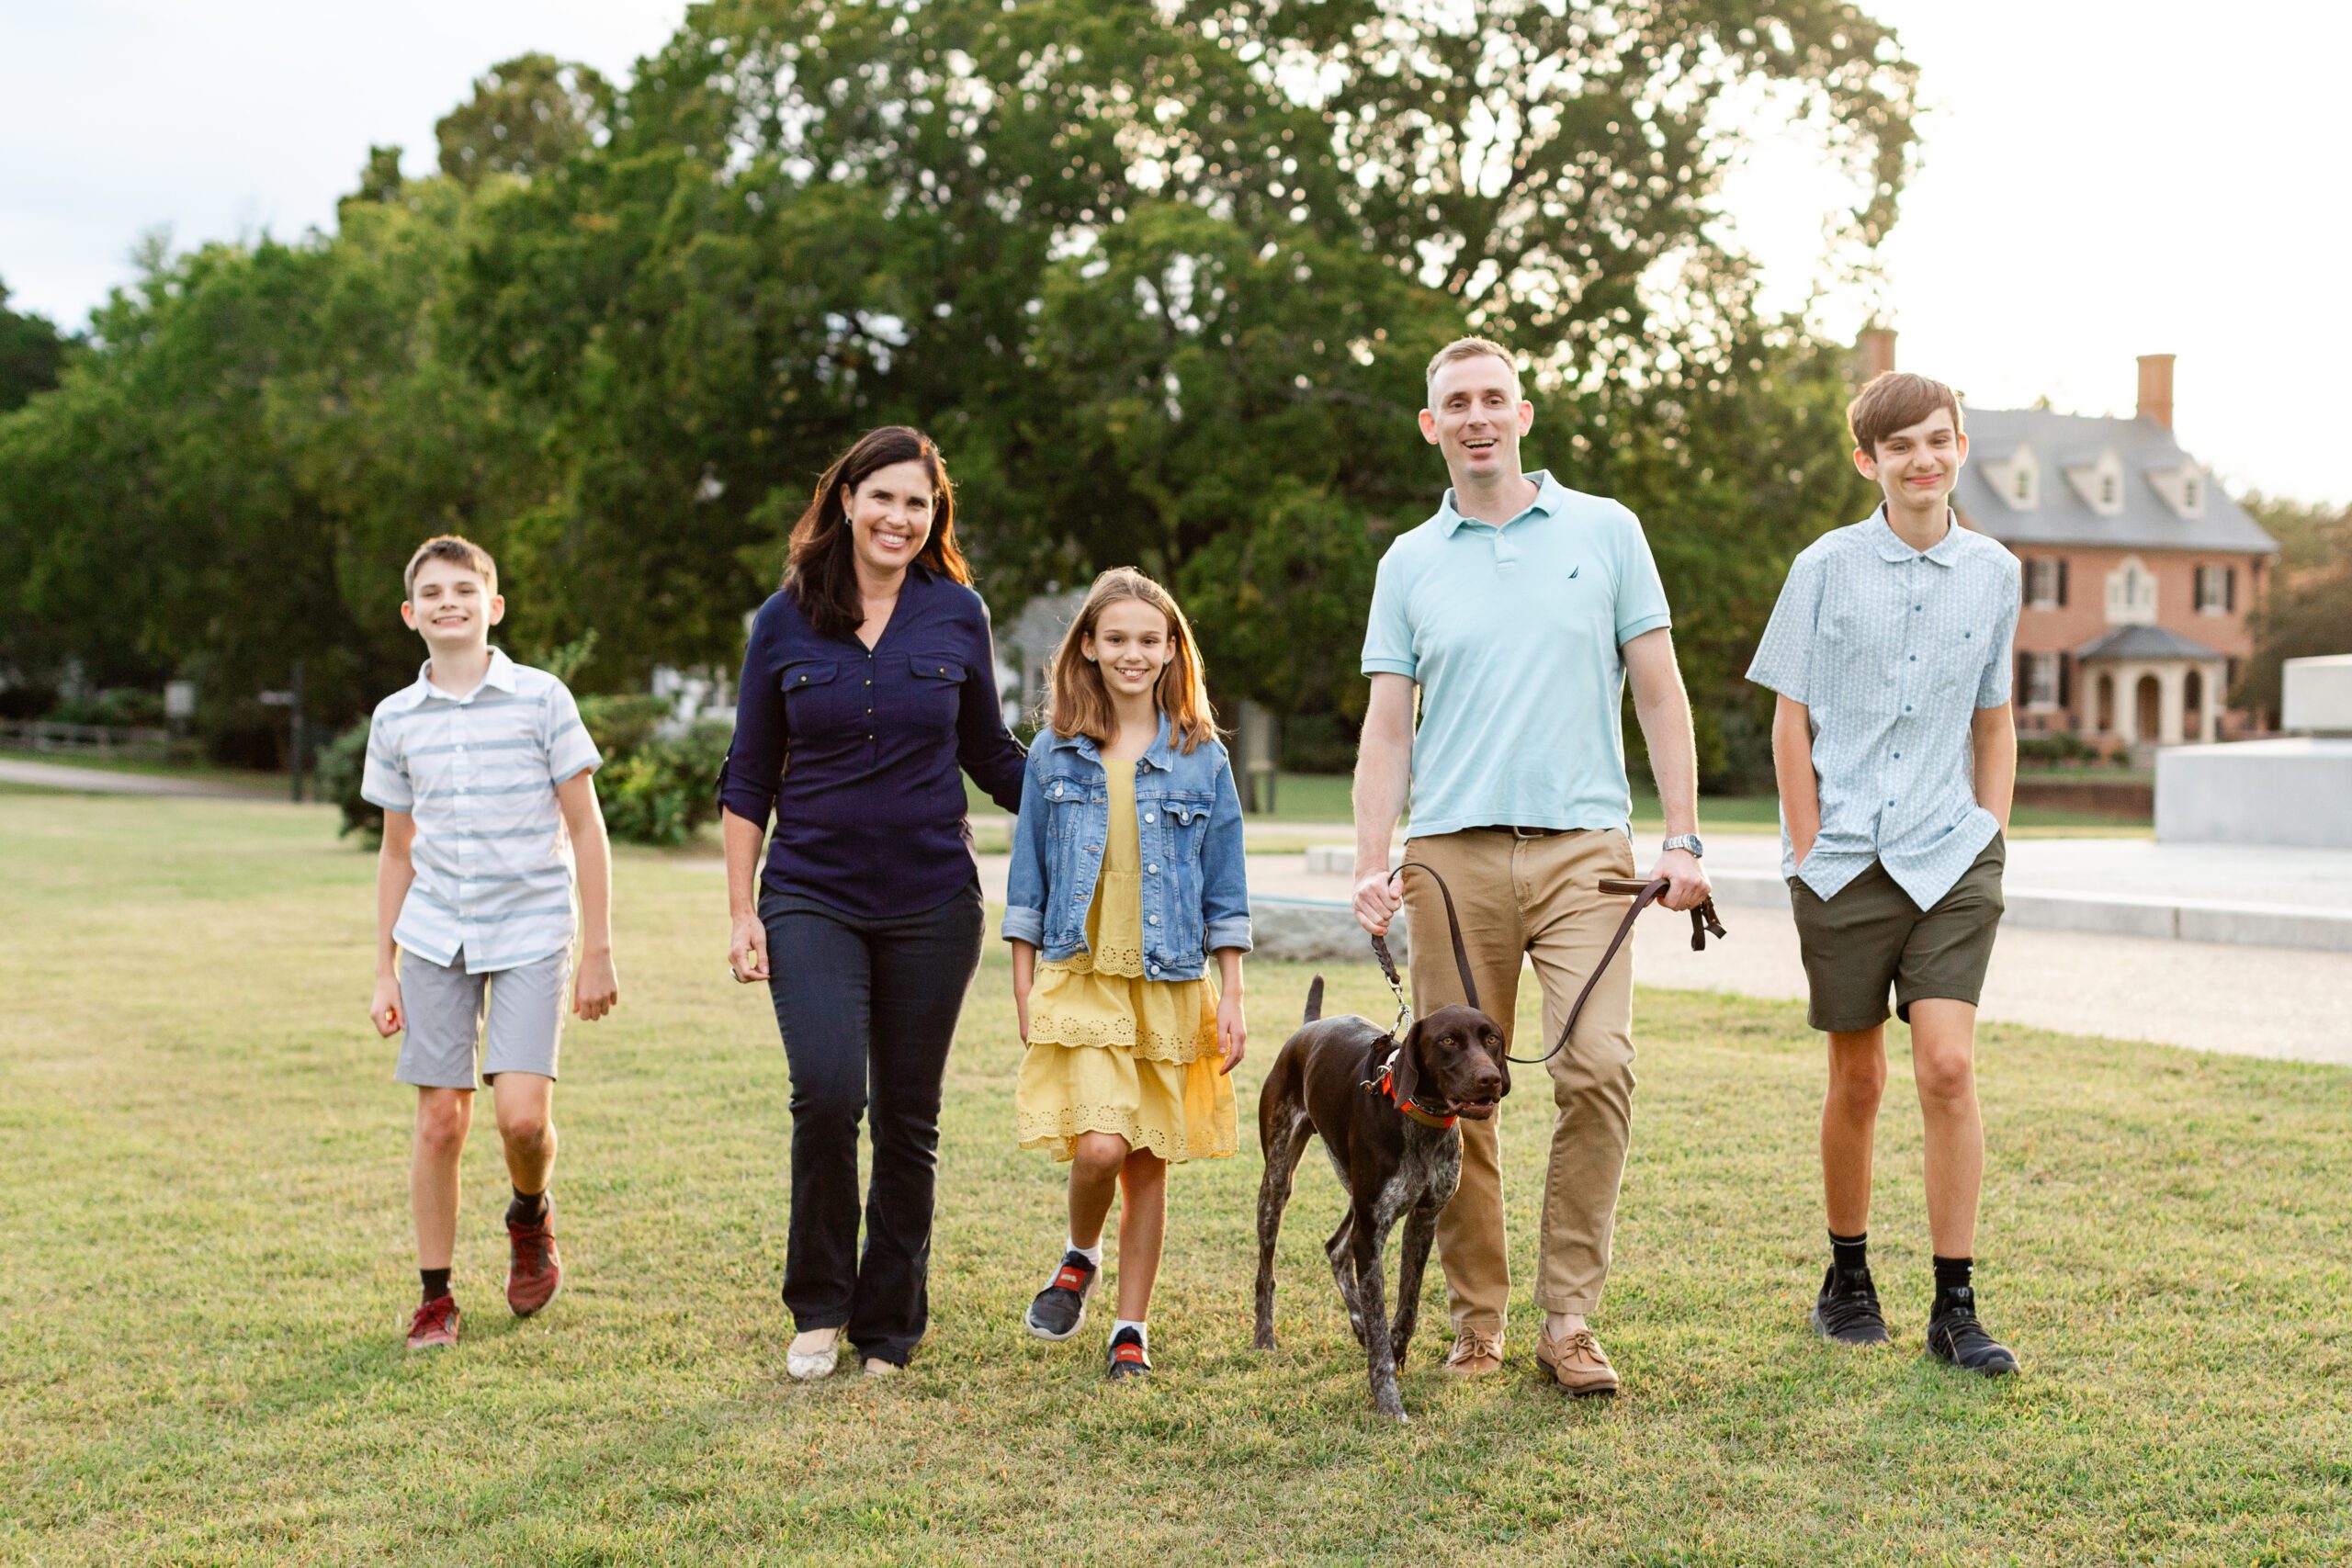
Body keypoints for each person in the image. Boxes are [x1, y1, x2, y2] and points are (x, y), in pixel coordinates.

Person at [1351, 337, 1712, 1398]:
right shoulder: (1409, 561)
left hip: (1584, 855)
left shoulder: (1606, 531)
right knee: (1451, 1097)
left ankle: (1568, 1320)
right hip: (1451, 859)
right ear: (1432, 426)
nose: (1475, 417)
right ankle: (1477, 1316)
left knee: (1596, 1066)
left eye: (1492, 399)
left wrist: (1681, 836)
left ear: (1523, 414)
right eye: (1454, 402)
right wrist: (1376, 861)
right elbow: (1384, 730)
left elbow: (1658, 691)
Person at [719, 426, 1027, 1381]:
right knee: (825, 1093)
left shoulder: (957, 614)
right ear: (846, 499)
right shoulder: (781, 620)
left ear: (935, 519)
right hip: (811, 894)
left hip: (933, 902)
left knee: (907, 1114)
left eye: (919, 503)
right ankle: (817, 1306)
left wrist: (1092, 777)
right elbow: (747, 774)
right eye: (884, 496)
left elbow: (991, 753)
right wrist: (741, 912)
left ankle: (888, 1325)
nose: (900, 517)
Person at [1746, 370, 2022, 1375]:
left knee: (1946, 1065)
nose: (1923, 459)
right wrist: (1812, 842)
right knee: (1856, 1077)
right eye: (1900, 445)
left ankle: (1957, 1303)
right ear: (1868, 460)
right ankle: (1847, 1279)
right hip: (1844, 856)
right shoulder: (1822, 566)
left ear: (1959, 448)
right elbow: (1789, 717)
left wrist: (1989, 832)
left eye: (1938, 440)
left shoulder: (1995, 571)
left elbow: (1994, 718)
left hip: (1950, 850)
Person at [364, 535, 619, 1352]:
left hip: (532, 930)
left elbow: (586, 827)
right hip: (436, 932)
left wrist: (599, 949)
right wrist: (383, 968)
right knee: (441, 1119)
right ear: (411, 614)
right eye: (432, 592)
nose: (449, 602)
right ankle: (436, 1296)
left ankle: (530, 1213)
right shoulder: (395, 719)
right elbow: (396, 850)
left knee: (520, 1120)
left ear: (493, 606)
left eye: (464, 590)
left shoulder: (543, 699)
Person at [1002, 567, 1250, 1382]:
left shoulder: (1202, 756)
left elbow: (1226, 887)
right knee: (1101, 1146)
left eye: (1150, 639)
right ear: (1088, 647)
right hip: (1082, 974)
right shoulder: (1054, 751)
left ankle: (1130, 1330)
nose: (1133, 653)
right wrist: (1022, 985)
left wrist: (1234, 996)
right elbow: (1028, 883)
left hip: (1171, 979)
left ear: (1173, 649)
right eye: (1116, 638)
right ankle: (1080, 1252)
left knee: (1148, 1160)